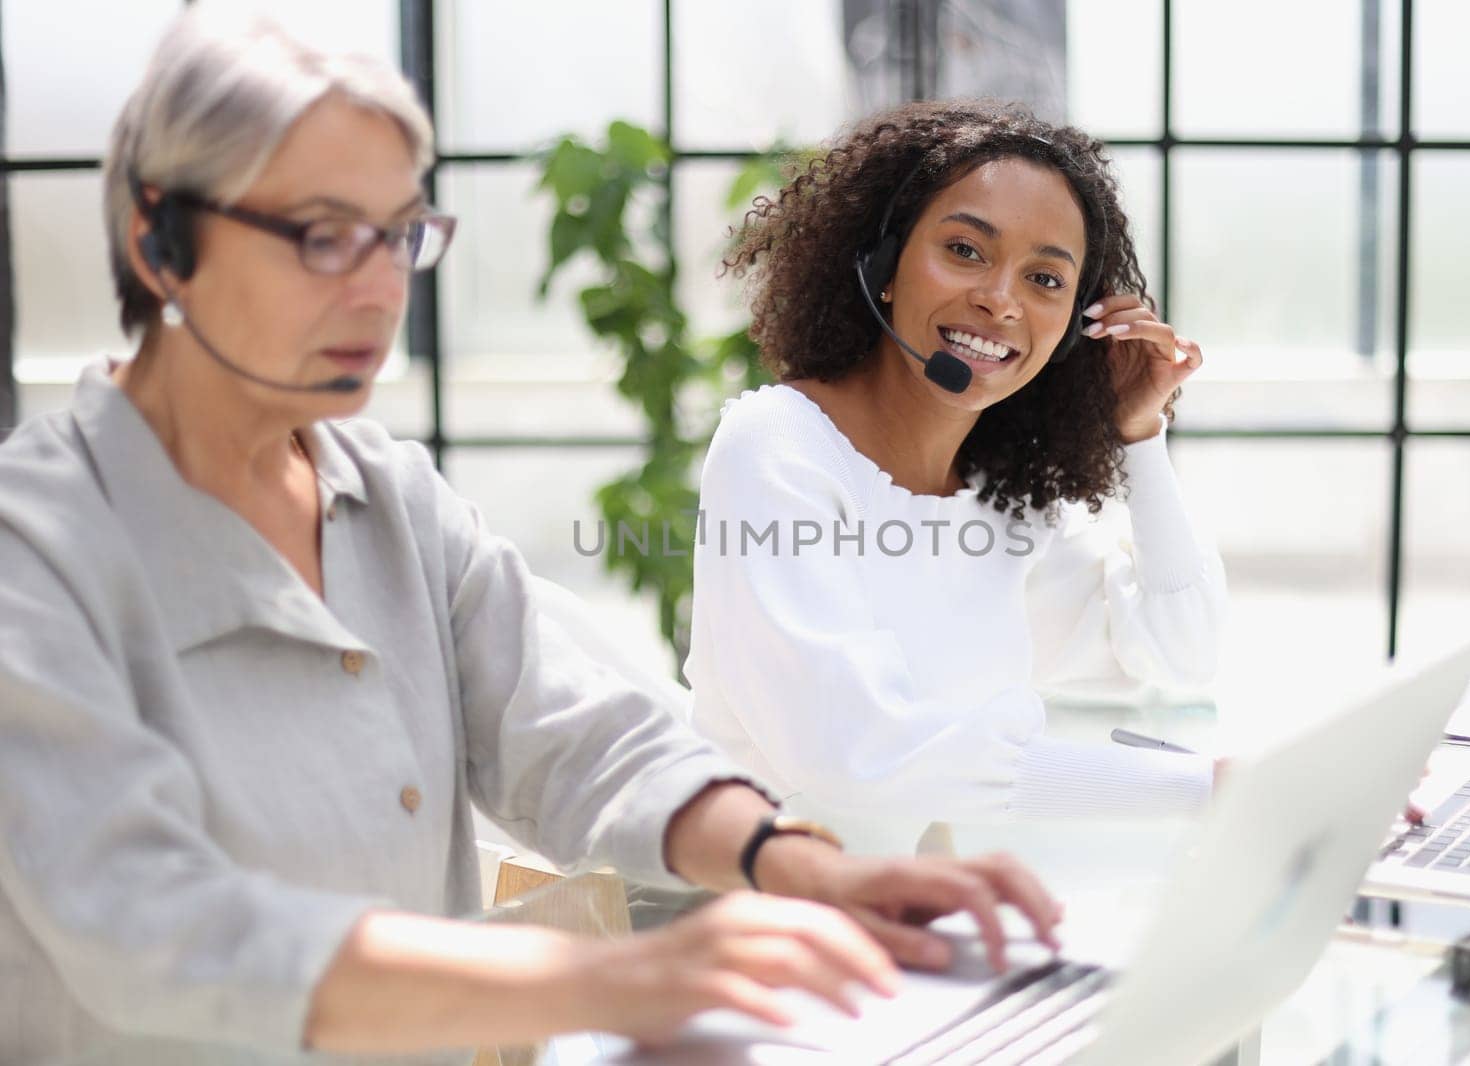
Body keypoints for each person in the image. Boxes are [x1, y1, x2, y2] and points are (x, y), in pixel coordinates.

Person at [0, 17, 1061, 1064]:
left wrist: (794, 861)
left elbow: (577, 734)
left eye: (399, 234)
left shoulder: (393, 500)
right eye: (323, 236)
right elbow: (153, 924)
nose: (378, 288)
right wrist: (615, 978)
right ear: (160, 239)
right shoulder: (36, 548)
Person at [685, 100, 1228, 855]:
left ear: (1072, 324)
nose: (1001, 300)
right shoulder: (778, 447)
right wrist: (1207, 788)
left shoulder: (1000, 499)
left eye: (1044, 278)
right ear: (882, 263)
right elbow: (860, 754)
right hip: (759, 927)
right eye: (967, 251)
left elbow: (1180, 650)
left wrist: (1139, 433)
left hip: (912, 919)